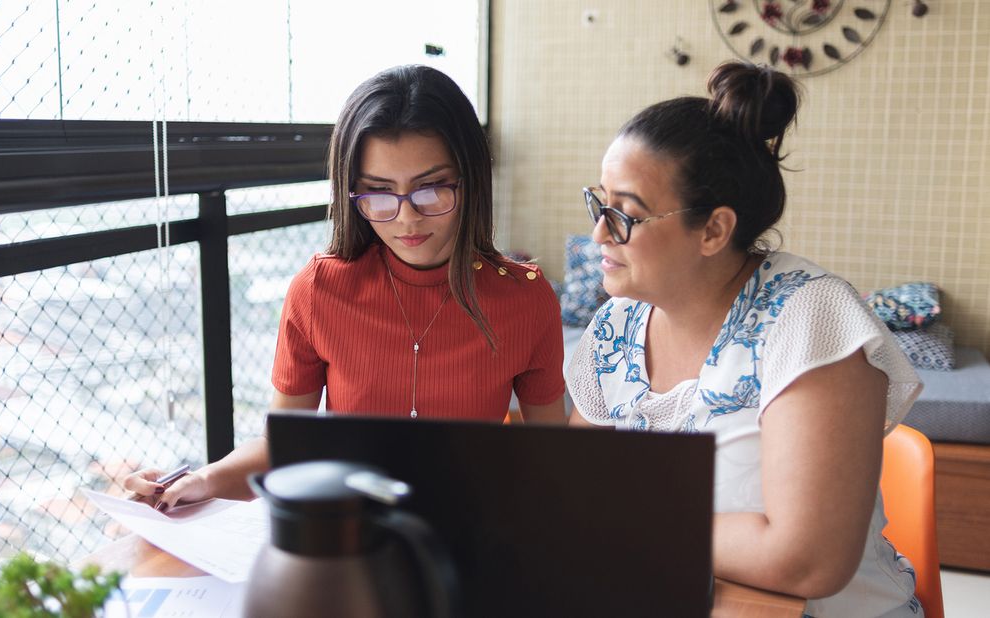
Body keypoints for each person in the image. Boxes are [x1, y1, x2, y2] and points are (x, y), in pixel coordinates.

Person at [567, 62, 923, 616]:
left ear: (713, 230)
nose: (599, 233)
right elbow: (573, 487)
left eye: (625, 215)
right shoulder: (615, 327)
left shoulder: (808, 320)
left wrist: (625, 523)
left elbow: (807, 559)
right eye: (600, 202)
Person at [125, 65, 566, 509]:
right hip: (350, 535)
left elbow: (552, 461)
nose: (407, 218)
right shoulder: (318, 291)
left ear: (471, 180)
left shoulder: (525, 298)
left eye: (432, 188)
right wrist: (199, 481)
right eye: (378, 192)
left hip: (469, 531)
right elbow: (281, 449)